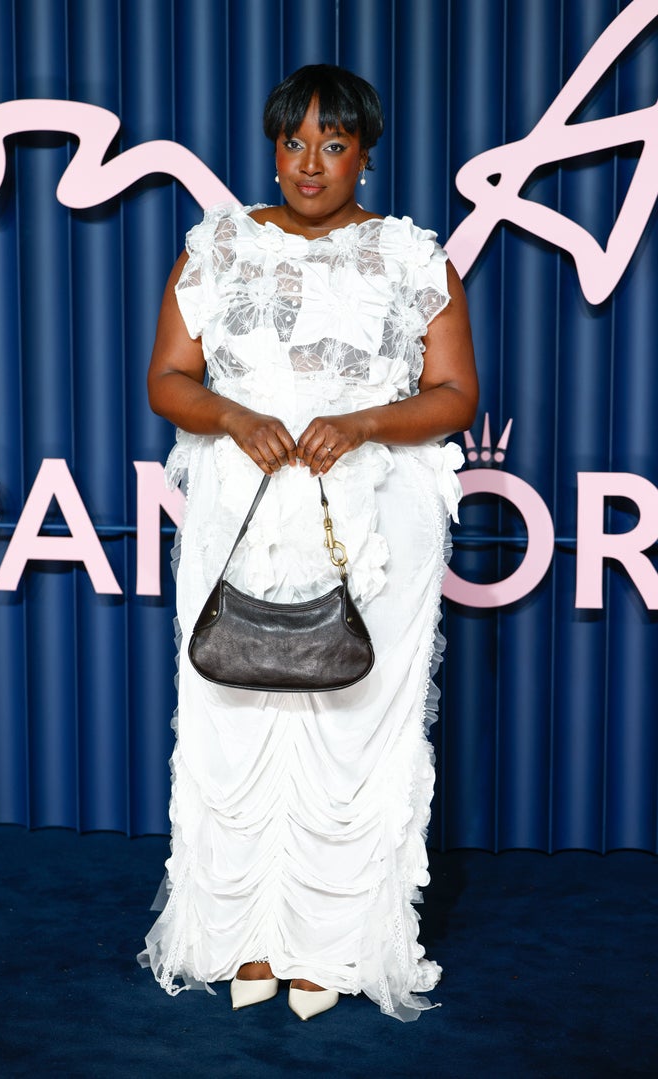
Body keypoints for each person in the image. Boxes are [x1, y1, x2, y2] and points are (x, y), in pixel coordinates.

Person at [138, 64, 478, 1022]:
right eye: (295, 143)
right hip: (242, 511)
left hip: (372, 520)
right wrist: (233, 416)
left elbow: (456, 395)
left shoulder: (413, 258)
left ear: (366, 153)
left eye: (333, 144)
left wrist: (365, 423)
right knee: (233, 711)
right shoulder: (218, 247)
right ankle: (240, 935)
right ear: (274, 148)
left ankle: (331, 944)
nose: (311, 164)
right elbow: (168, 378)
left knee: (354, 720)